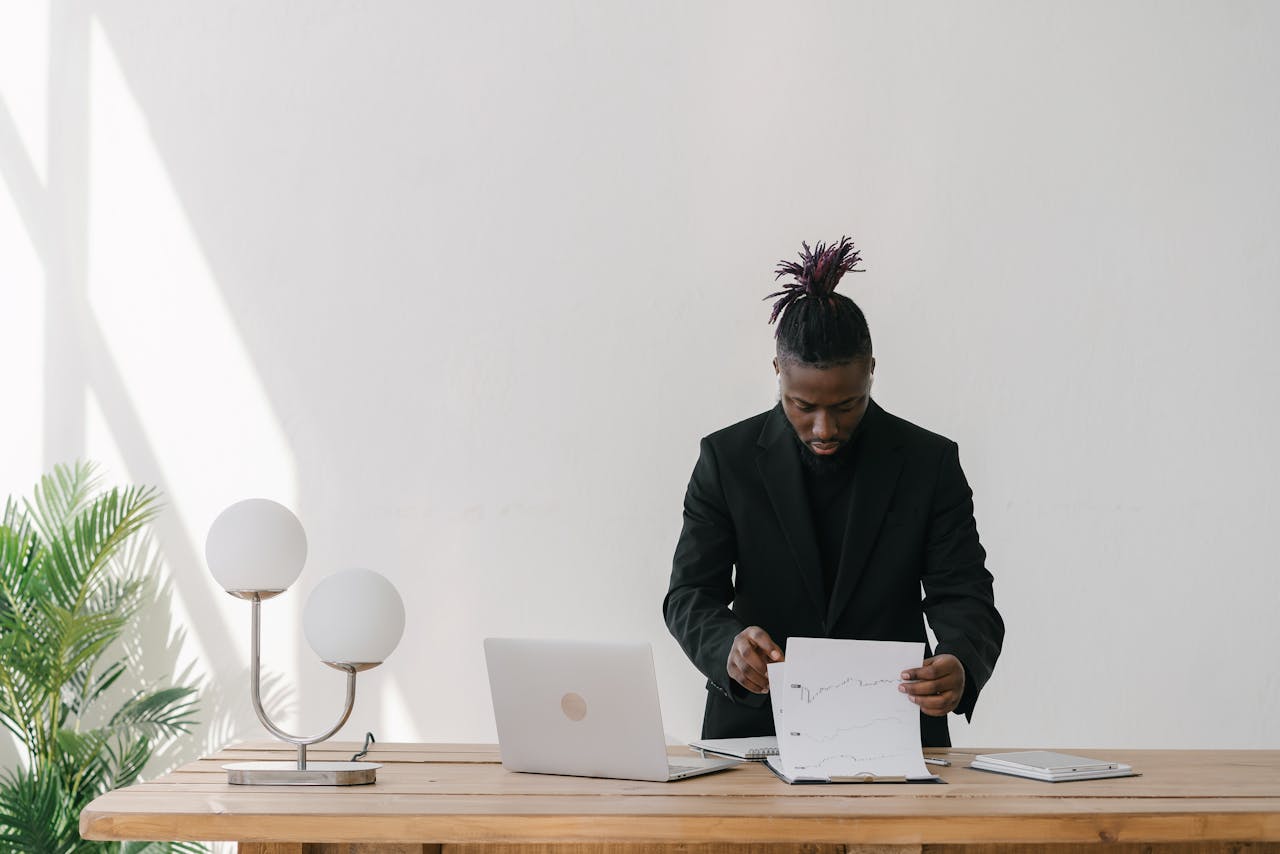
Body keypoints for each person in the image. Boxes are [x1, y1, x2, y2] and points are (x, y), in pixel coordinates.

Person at [663, 237, 1004, 747]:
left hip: (895, 730)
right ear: (778, 372)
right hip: (757, 728)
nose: (824, 428)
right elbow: (689, 593)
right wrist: (727, 646)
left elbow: (965, 591)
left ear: (871, 370)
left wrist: (959, 659)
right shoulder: (725, 460)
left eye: (847, 406)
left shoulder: (929, 463)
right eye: (802, 405)